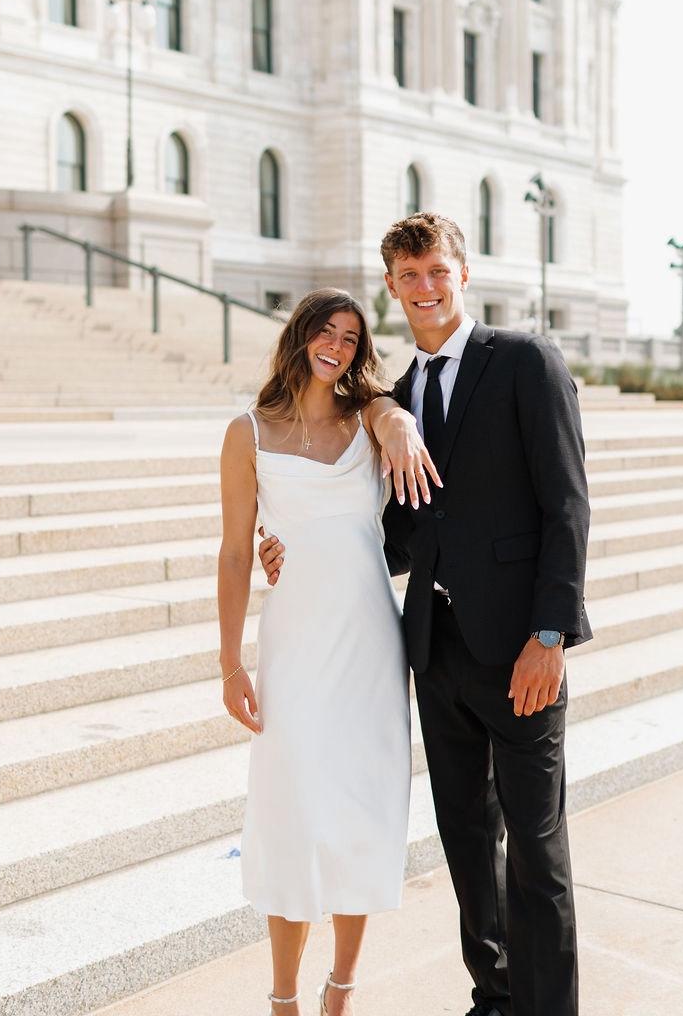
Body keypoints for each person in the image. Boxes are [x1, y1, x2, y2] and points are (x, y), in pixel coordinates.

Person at [260, 213, 592, 1016]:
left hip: (520, 652)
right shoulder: (402, 394)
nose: (426, 287)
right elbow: (403, 535)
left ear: (463, 273)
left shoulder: (524, 361)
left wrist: (549, 635)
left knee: (537, 850)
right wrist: (297, 547)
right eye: (409, 276)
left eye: (438, 271)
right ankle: (495, 997)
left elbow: (567, 505)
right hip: (436, 657)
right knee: (469, 845)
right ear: (391, 286)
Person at [217, 287, 439, 1016]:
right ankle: (282, 997)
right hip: (295, 644)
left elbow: (390, 412)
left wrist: (399, 421)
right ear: (301, 335)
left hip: (370, 644)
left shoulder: (367, 416)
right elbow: (235, 553)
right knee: (292, 810)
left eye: (350, 337)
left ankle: (340, 989)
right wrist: (230, 663)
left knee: (361, 809)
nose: (336, 346)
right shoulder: (247, 433)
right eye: (326, 331)